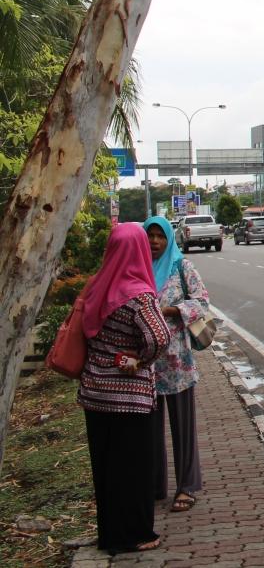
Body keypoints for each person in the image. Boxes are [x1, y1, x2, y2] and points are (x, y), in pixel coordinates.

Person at [78, 223, 171, 555]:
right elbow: (159, 338)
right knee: (133, 469)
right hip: (128, 397)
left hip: (94, 393)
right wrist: (142, 360)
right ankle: (134, 534)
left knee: (106, 468)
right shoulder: (139, 294)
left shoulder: (96, 286)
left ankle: (110, 534)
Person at [143, 215, 209, 513]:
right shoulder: (138, 268)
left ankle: (186, 486)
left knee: (182, 427)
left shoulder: (182, 267)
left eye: (160, 236)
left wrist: (172, 310)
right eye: (150, 236)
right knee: (149, 430)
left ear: (169, 238)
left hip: (177, 362)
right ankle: (155, 485)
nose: (155, 241)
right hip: (146, 363)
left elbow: (202, 302)